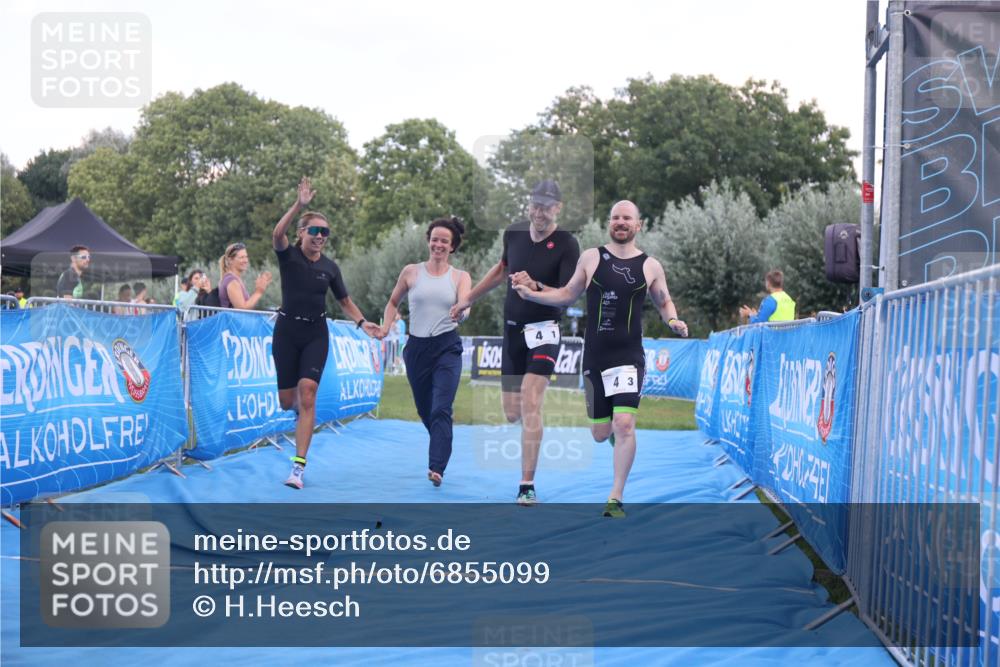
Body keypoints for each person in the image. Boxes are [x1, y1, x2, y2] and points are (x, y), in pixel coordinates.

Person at [512, 200, 689, 518]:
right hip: (595, 355)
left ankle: (615, 498)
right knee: (600, 432)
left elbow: (663, 300)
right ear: (610, 222)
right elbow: (567, 294)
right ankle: (613, 438)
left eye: (627, 218)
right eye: (615, 217)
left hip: (628, 355)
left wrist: (673, 320)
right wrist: (533, 294)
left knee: (624, 424)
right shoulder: (591, 258)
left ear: (639, 225)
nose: (620, 222)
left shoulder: (650, 266)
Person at [449, 179, 580, 506]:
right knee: (512, 413)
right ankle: (530, 431)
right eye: (535, 204)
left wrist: (534, 285)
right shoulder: (514, 232)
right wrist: (468, 299)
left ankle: (526, 484)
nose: (540, 212)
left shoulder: (567, 243)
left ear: (558, 208)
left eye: (546, 206)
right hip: (512, 330)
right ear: (529, 205)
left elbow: (567, 294)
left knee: (531, 400)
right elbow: (501, 270)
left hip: (545, 330)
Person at [272, 177, 383, 489]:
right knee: (286, 402)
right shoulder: (288, 255)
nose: (320, 236)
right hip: (286, 332)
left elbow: (345, 301)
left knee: (308, 393)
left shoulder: (331, 268)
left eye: (325, 232)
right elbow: (277, 234)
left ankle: (298, 468)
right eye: (315, 231)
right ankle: (302, 414)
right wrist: (299, 205)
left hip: (316, 334)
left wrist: (363, 324)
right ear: (301, 233)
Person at [381, 217, 471, 487]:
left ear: (452, 246)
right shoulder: (411, 272)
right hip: (417, 349)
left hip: (447, 346)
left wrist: (461, 313)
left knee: (441, 407)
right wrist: (386, 326)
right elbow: (392, 302)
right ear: (428, 241)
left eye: (445, 241)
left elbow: (466, 306)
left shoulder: (460, 277)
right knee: (426, 410)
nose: (439, 244)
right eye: (435, 239)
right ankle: (442, 442)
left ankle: (437, 467)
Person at [219, 243, 272, 310]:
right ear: (230, 260)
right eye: (242, 257)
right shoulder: (232, 281)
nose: (246, 261)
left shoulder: (235, 279)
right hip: (233, 320)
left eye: (246, 257)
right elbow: (242, 308)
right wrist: (259, 291)